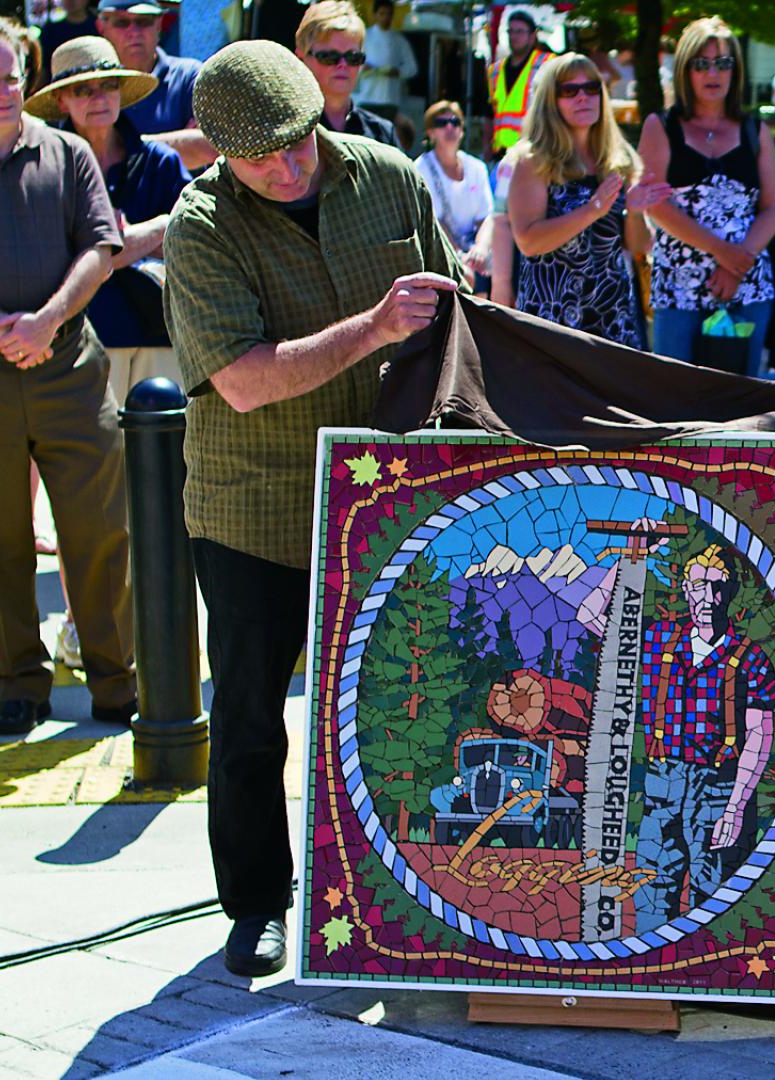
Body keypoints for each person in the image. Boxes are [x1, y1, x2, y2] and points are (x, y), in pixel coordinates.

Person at [161, 39, 462, 976]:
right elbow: (246, 383)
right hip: (258, 510)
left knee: (413, 706)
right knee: (252, 719)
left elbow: (458, 313)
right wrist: (373, 327)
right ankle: (257, 906)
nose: (290, 168)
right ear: (215, 153)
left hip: (388, 501)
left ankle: (416, 901)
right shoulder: (199, 228)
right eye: (263, 159)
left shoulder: (386, 175)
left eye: (300, 142)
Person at [0, 15, 136, 737]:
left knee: (99, 529)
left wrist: (44, 320)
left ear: (26, 80)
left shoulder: (70, 153)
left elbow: (101, 246)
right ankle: (17, 677)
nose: (0, 91)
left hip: (70, 369)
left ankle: (115, 677)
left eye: (9, 77)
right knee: (1, 537)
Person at [625, 540, 775, 932]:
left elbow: (759, 737)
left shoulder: (751, 658)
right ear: (685, 589)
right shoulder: (659, 641)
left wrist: (736, 806)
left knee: (714, 895)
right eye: (699, 585)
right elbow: (592, 615)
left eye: (717, 586)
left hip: (718, 788)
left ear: (730, 591)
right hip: (662, 783)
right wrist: (632, 554)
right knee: (652, 890)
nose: (707, 597)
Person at [29, 35, 190, 404]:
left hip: (162, 337)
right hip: (77, 342)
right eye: (83, 90)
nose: (98, 98)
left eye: (108, 85)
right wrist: (155, 231)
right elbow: (52, 261)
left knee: (163, 455)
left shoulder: (161, 162)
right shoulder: (44, 168)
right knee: (94, 460)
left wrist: (122, 241)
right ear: (60, 100)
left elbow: (195, 240)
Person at [639, 17, 775, 374]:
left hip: (746, 283)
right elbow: (655, 203)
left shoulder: (755, 129)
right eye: (701, 64)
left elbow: (773, 208)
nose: (712, 73)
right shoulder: (661, 126)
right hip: (678, 285)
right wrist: (722, 252)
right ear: (685, 70)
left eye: (723, 63)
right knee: (676, 395)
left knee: (743, 398)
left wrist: (738, 262)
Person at [511, 53, 669, 350]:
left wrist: (634, 213)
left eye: (592, 88)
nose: (583, 97)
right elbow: (528, 241)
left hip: (614, 316)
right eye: (570, 91)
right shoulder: (533, 160)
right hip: (554, 316)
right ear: (550, 100)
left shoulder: (620, 159)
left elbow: (639, 246)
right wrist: (593, 210)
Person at [95, 0, 211, 170]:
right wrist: (182, 143)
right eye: (121, 23)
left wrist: (119, 149)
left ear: (159, 23)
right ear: (101, 28)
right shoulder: (91, 86)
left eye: (143, 22)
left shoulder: (190, 76)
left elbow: (209, 148)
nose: (134, 32)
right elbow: (89, 156)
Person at [296, 1, 399, 150]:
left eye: (353, 57)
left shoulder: (381, 133)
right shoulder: (286, 130)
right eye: (329, 56)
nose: (343, 64)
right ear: (301, 58)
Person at [413, 101, 492, 291]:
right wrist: (458, 255)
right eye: (441, 123)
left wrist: (480, 249)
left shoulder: (476, 167)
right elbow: (433, 221)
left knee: (499, 269)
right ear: (430, 132)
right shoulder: (420, 168)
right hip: (440, 248)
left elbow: (488, 216)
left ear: (462, 130)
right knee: (466, 276)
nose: (450, 127)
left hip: (474, 246)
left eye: (455, 122)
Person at [488, 9, 549, 156]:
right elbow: (490, 113)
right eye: (511, 31)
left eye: (520, 31)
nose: (514, 36)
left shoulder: (546, 63)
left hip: (533, 149)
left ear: (533, 35)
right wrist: (486, 146)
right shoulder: (495, 70)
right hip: (501, 152)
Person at [357, 0, 417, 126]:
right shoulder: (365, 36)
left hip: (389, 100)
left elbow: (412, 68)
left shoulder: (398, 40)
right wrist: (363, 67)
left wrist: (398, 72)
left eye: (388, 14)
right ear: (375, 15)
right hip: (367, 98)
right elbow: (353, 62)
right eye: (381, 13)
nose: (385, 18)